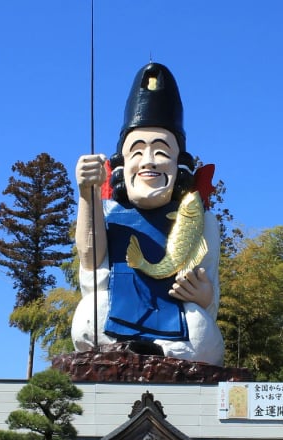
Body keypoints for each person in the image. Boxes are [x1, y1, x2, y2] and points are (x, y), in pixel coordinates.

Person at [72, 62, 224, 365]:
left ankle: (159, 353)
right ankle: (122, 348)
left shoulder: (200, 219)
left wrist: (204, 295)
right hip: (118, 306)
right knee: (88, 315)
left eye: (162, 152)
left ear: (179, 165)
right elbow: (91, 263)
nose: (149, 161)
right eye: (137, 151)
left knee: (203, 332)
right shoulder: (107, 212)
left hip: (173, 314)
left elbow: (208, 283)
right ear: (121, 164)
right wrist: (87, 194)